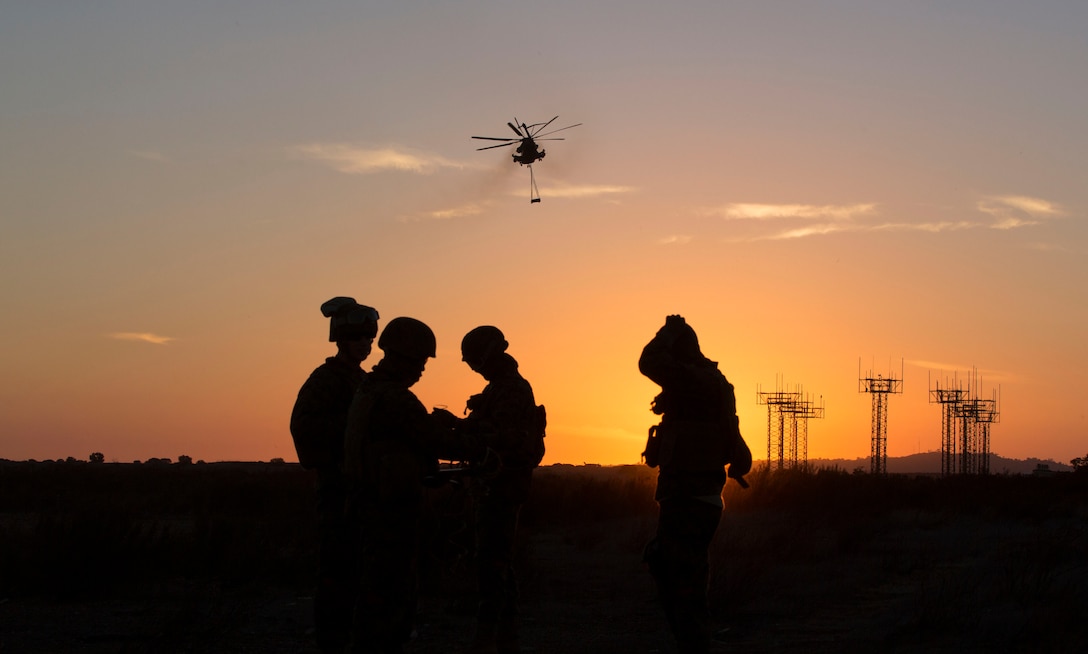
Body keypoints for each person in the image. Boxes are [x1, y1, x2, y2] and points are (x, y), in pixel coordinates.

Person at [344, 317, 498, 654]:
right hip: (389, 512)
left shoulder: (368, 390)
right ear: (406, 358)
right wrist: (481, 449)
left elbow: (406, 438)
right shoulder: (395, 398)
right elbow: (434, 439)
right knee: (391, 597)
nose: (422, 370)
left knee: (374, 592)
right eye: (421, 362)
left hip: (369, 505)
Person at [638, 315, 751, 654]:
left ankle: (695, 644)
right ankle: (694, 641)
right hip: (695, 495)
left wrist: (666, 332)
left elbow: (648, 362)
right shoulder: (709, 381)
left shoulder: (695, 379)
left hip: (688, 496)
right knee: (682, 575)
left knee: (680, 581)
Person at [436, 326, 545, 654]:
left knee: (492, 564)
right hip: (493, 484)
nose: (474, 368)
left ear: (489, 356)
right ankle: (504, 638)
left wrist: (457, 436)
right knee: (497, 563)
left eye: (475, 362)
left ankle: (489, 639)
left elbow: (503, 438)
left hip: (503, 485)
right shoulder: (499, 388)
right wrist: (456, 424)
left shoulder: (511, 389)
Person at [290, 297, 380, 654]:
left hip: (364, 491)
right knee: (336, 568)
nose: (365, 344)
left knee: (360, 568)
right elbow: (304, 428)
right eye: (357, 338)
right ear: (341, 339)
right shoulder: (325, 380)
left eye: (369, 338)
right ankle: (331, 639)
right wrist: (348, 438)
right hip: (338, 491)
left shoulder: (363, 380)